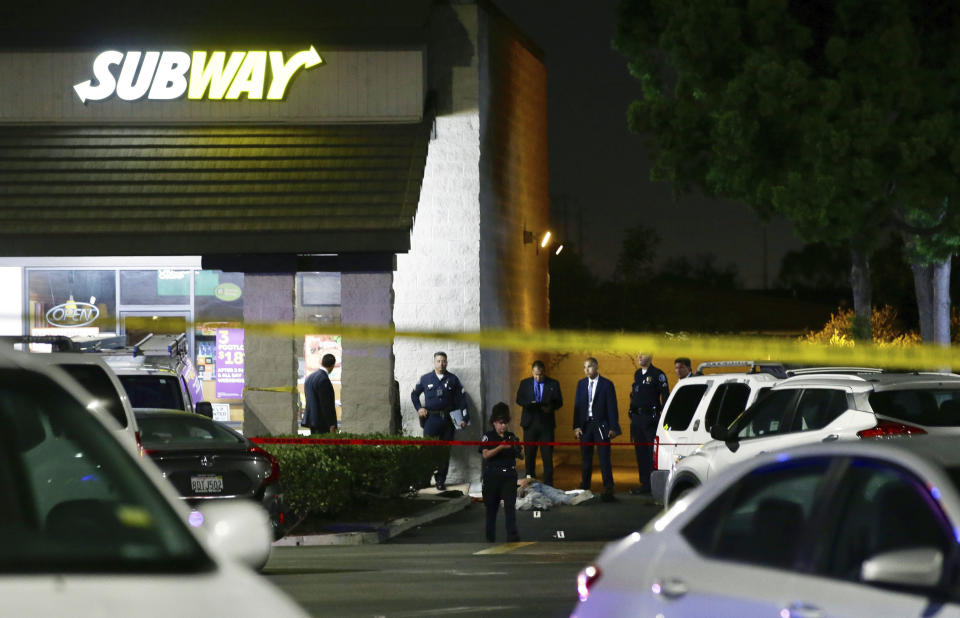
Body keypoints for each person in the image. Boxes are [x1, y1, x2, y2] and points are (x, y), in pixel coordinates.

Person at [411, 351, 468, 491]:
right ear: (434, 362)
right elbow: (414, 394)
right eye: (438, 361)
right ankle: (424, 480)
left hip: (449, 421)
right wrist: (419, 408)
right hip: (431, 420)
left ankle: (440, 481)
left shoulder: (453, 379)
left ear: (446, 363)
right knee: (428, 451)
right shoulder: (425, 379)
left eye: (443, 361)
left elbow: (462, 399)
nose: (441, 364)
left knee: (444, 452)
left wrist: (464, 418)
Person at [573, 357, 620, 502]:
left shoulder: (606, 384)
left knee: (604, 458)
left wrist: (613, 427)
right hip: (586, 426)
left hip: (601, 426)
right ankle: (585, 487)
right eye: (584, 367)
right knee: (586, 458)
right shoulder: (581, 384)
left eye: (589, 367)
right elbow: (577, 407)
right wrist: (576, 426)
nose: (586, 370)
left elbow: (612, 407)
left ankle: (608, 488)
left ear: (596, 367)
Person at [515, 360, 563, 486]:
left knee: (547, 456)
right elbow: (519, 399)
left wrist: (550, 407)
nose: (538, 377)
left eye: (540, 375)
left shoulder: (553, 383)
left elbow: (559, 402)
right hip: (530, 424)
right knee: (529, 455)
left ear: (544, 372)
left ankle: (548, 484)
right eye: (536, 374)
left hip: (546, 425)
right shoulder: (525, 383)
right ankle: (531, 482)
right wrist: (529, 404)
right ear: (532, 372)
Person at [479, 402, 522, 542]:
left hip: (508, 476)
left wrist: (516, 447)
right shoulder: (488, 436)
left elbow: (519, 454)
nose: (503, 426)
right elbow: (485, 454)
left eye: (505, 423)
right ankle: (490, 538)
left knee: (510, 508)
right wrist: (500, 447)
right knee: (491, 509)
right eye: (500, 423)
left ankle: (512, 535)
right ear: (494, 422)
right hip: (493, 476)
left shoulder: (511, 436)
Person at [629, 353, 670, 495]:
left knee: (652, 453)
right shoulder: (637, 374)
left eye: (643, 353)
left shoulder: (658, 374)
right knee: (640, 453)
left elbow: (665, 397)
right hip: (637, 419)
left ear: (651, 357)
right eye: (638, 353)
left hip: (651, 420)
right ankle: (645, 484)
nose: (639, 356)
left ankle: (655, 485)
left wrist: (664, 420)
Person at [303, 353, 337, 434]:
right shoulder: (324, 379)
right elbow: (326, 404)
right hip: (322, 423)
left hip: (311, 421)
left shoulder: (309, 377)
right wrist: (331, 424)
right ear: (333, 365)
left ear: (322, 362)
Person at [515, 477, 593, 510]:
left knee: (556, 494)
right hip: (530, 491)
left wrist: (524, 484)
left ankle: (573, 497)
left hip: (534, 487)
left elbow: (527, 480)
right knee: (555, 495)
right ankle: (572, 498)